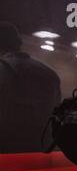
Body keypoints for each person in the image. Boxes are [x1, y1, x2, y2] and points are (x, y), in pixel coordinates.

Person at [0, 22, 61, 153]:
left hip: (5, 160)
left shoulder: (3, 71)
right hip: (42, 158)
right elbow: (57, 120)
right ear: (18, 44)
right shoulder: (50, 74)